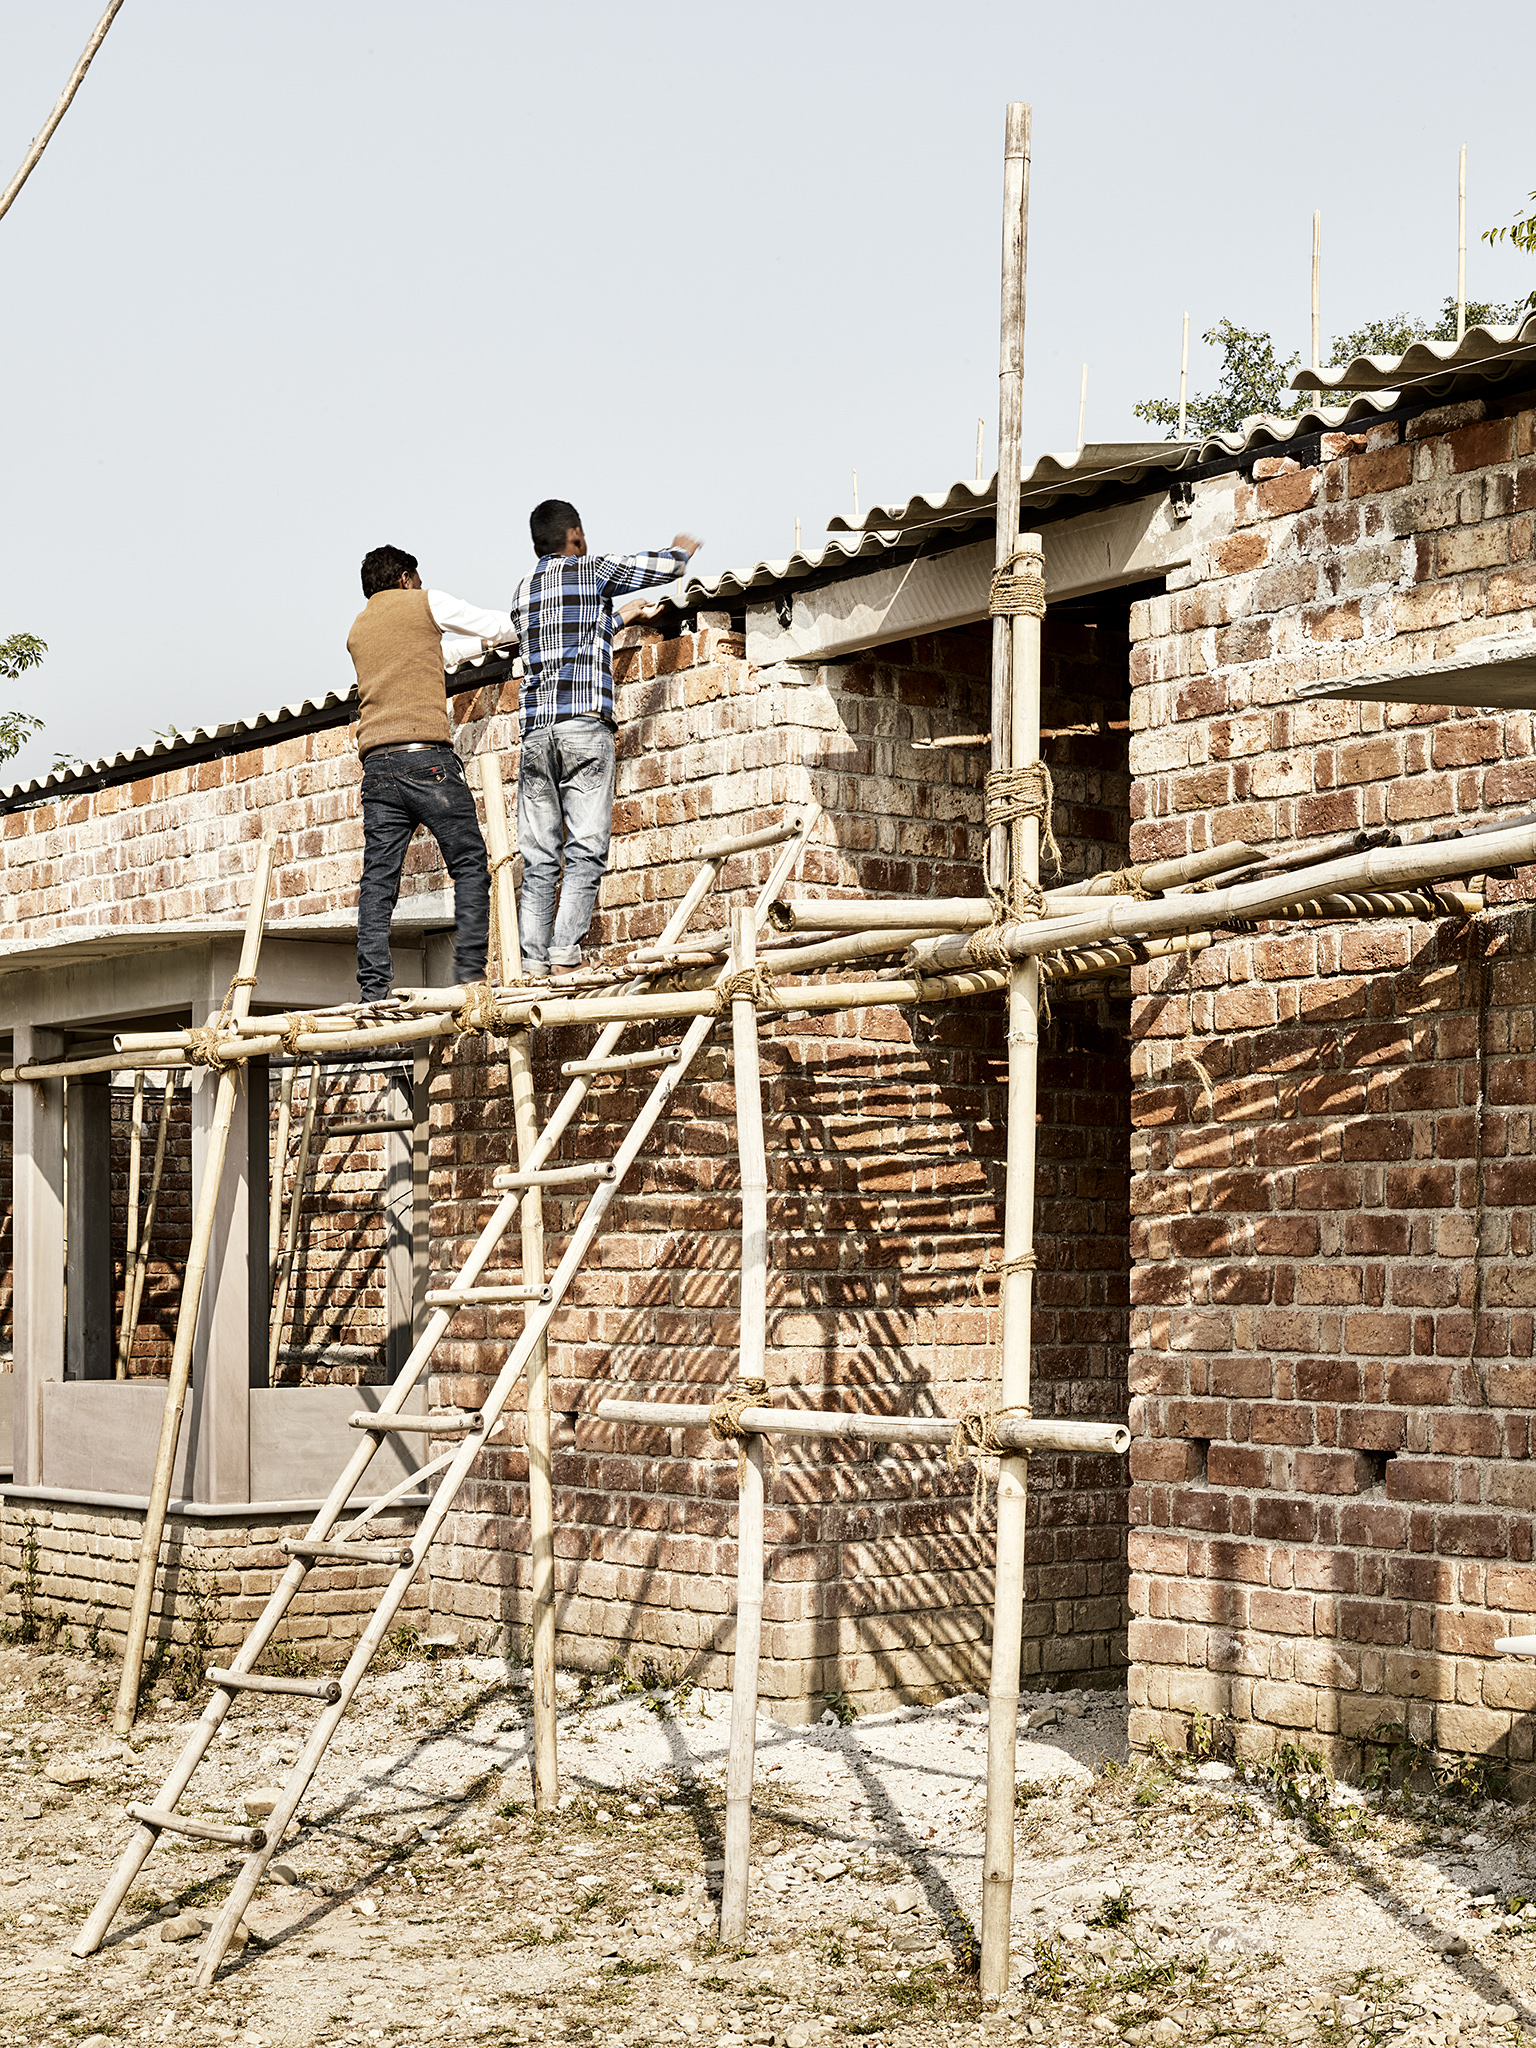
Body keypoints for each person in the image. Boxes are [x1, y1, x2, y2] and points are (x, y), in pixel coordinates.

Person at [510, 499, 700, 977]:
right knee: (586, 849)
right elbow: (651, 567)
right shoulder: (591, 572)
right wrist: (679, 552)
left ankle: (530, 963)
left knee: (538, 860)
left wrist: (620, 619)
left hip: (535, 736)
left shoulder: (522, 592)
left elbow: (567, 640)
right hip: (582, 729)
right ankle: (563, 956)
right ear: (575, 535)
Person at [345, 544, 517, 1005]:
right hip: (427, 761)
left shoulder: (359, 630)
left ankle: (373, 992)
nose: (420, 584)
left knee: (378, 885)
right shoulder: (425, 601)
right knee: (468, 863)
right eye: (417, 578)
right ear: (405, 577)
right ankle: (470, 974)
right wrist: (541, 618)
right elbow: (500, 625)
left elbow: (425, 657)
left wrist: (478, 649)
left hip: (377, 767)